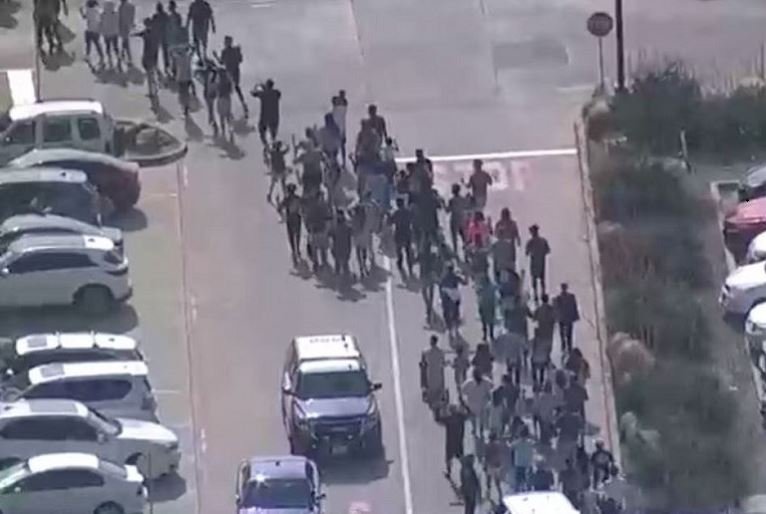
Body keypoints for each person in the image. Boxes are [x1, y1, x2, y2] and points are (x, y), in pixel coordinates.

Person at [529, 294, 555, 388]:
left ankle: (537, 381)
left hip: (541, 333)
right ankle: (546, 363)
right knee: (547, 350)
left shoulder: (539, 309)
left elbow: (533, 318)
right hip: (549, 334)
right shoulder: (551, 309)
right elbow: (554, 318)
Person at [219, 36, 248, 116]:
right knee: (237, 88)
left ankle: (229, 110)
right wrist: (239, 52)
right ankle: (243, 103)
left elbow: (221, 62)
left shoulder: (224, 52)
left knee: (228, 91)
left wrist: (216, 56)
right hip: (236, 72)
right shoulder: (235, 50)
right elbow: (240, 60)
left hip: (229, 73)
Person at [303, 192, 332, 271]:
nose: (322, 199)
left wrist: (328, 230)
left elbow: (328, 219)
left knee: (323, 248)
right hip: (315, 231)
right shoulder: (314, 208)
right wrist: (309, 229)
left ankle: (324, 262)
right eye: (321, 197)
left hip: (322, 230)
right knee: (315, 249)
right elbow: (307, 219)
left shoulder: (324, 207)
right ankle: (316, 263)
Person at [461, 368, 492, 439]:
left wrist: (464, 401)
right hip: (482, 403)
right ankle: (480, 430)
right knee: (481, 418)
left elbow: (463, 391)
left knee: (473, 418)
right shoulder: (485, 381)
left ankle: (475, 429)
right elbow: (490, 389)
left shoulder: (469, 382)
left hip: (472, 403)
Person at [133, 17, 159, 98]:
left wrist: (133, 34)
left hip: (147, 54)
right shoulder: (154, 32)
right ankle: (154, 88)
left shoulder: (147, 32)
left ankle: (152, 91)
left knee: (149, 74)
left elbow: (140, 34)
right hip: (153, 54)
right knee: (151, 72)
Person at [439, 404, 468, 478]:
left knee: (448, 458)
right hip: (459, 442)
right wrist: (464, 405)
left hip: (450, 442)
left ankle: (449, 472)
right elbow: (468, 414)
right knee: (461, 458)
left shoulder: (449, 419)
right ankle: (465, 471)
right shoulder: (461, 418)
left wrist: (441, 408)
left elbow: (439, 419)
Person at [277, 184, 303, 264]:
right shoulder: (298, 198)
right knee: (298, 235)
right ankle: (297, 249)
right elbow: (302, 207)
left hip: (290, 218)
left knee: (291, 236)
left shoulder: (287, 199)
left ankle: (293, 251)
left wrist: (278, 202)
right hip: (297, 217)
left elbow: (279, 208)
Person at [252, 79, 282, 145]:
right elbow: (278, 94)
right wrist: (265, 88)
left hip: (264, 117)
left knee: (262, 131)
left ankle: (266, 145)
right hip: (275, 117)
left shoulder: (262, 94)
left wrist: (257, 86)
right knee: (273, 134)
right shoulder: (276, 93)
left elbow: (253, 93)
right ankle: (274, 146)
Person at [390, 198, 414, 277]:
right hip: (407, 232)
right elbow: (412, 220)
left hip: (399, 233)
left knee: (399, 250)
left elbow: (391, 221)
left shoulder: (396, 213)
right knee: (408, 251)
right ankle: (410, 268)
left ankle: (400, 262)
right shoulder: (408, 212)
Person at [525, 225, 550, 302]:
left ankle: (536, 295)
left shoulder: (530, 242)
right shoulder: (543, 241)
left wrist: (532, 253)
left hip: (534, 263)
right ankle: (542, 293)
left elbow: (526, 253)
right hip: (541, 262)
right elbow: (548, 251)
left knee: (534, 280)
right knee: (542, 279)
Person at [441, 262, 466, 338]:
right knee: (456, 311)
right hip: (454, 295)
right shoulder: (455, 276)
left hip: (446, 296)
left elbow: (440, 284)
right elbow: (464, 282)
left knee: (446, 311)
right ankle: (456, 326)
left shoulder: (444, 277)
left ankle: (449, 327)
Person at [421, 335, 447, 408]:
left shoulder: (426, 351)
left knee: (430, 387)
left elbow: (423, 362)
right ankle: (438, 400)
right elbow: (443, 363)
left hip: (429, 373)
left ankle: (431, 399)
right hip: (438, 373)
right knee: (438, 386)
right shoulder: (441, 352)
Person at [554, 283, 580, 354]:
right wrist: (576, 316)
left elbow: (556, 309)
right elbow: (574, 307)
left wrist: (556, 318)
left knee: (563, 333)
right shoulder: (571, 297)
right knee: (569, 334)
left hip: (563, 318)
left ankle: (564, 346)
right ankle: (568, 346)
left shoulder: (558, 298)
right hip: (568, 318)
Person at [508, 425, 535, 492]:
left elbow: (510, 448)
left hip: (519, 465)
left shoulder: (516, 443)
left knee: (518, 484)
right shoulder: (531, 443)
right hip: (528, 465)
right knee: (529, 484)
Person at [532, 380, 558, 445]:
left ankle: (544, 440)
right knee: (546, 429)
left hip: (541, 416)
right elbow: (556, 405)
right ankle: (547, 439)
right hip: (549, 416)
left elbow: (537, 406)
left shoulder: (542, 396)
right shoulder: (553, 397)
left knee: (542, 430)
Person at [447, 184, 469, 258]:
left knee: (454, 238)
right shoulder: (463, 199)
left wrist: (442, 203)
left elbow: (448, 210)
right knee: (464, 238)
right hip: (462, 219)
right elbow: (467, 207)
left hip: (454, 219)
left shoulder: (451, 201)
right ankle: (466, 254)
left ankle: (456, 253)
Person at [172, 43, 194, 116]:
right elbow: (191, 51)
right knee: (186, 93)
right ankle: (186, 106)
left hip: (181, 78)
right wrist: (189, 46)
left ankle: (184, 107)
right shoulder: (188, 57)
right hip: (188, 78)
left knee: (182, 93)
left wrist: (174, 48)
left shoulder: (178, 58)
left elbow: (172, 53)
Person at [351, 203, 372, 278]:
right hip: (363, 236)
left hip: (357, 236)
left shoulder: (354, 217)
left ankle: (361, 266)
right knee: (364, 251)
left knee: (357, 251)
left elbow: (352, 227)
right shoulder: (365, 217)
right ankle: (364, 264)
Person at [81, 0, 104, 65]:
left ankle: (87, 55)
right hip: (96, 30)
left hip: (90, 30)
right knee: (97, 44)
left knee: (88, 43)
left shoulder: (89, 11)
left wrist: (81, 11)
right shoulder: (97, 11)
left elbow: (84, 17)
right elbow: (100, 21)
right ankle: (101, 56)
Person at [331, 210, 353, 278]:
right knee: (341, 263)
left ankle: (342, 278)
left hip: (341, 246)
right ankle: (343, 277)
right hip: (341, 247)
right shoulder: (346, 227)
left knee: (341, 263)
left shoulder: (337, 227)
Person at [215, 64, 234, 141]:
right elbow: (231, 91)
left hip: (221, 98)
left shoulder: (218, 81)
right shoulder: (228, 81)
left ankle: (223, 131)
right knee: (228, 115)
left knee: (221, 116)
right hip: (227, 98)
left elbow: (216, 89)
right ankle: (230, 128)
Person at [484, 432, 504, 502]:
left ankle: (488, 493)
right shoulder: (498, 445)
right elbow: (500, 454)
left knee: (488, 480)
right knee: (497, 482)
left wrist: (485, 465)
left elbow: (486, 456)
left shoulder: (488, 445)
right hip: (497, 465)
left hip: (490, 465)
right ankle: (500, 494)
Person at [151, 2, 170, 74]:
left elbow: (152, 26)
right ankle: (166, 66)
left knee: (156, 52)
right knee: (165, 53)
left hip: (157, 36)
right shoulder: (166, 16)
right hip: (165, 36)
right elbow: (169, 25)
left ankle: (155, 65)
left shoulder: (155, 16)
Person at [100, 1, 119, 67]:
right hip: (114, 33)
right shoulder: (116, 14)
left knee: (108, 46)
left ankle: (109, 58)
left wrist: (102, 32)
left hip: (107, 34)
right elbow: (118, 23)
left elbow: (101, 25)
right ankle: (118, 57)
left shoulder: (102, 15)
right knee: (115, 46)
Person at [331, 90, 348, 164]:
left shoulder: (343, 106)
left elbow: (344, 102)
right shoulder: (336, 108)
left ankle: (343, 161)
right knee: (337, 146)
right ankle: (337, 160)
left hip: (340, 128)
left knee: (341, 146)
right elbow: (335, 101)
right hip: (338, 128)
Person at [118, 0, 135, 65]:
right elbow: (132, 16)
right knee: (125, 41)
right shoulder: (131, 6)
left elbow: (119, 18)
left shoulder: (121, 7)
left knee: (126, 42)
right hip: (128, 26)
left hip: (123, 27)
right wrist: (132, 24)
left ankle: (129, 58)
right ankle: (122, 54)